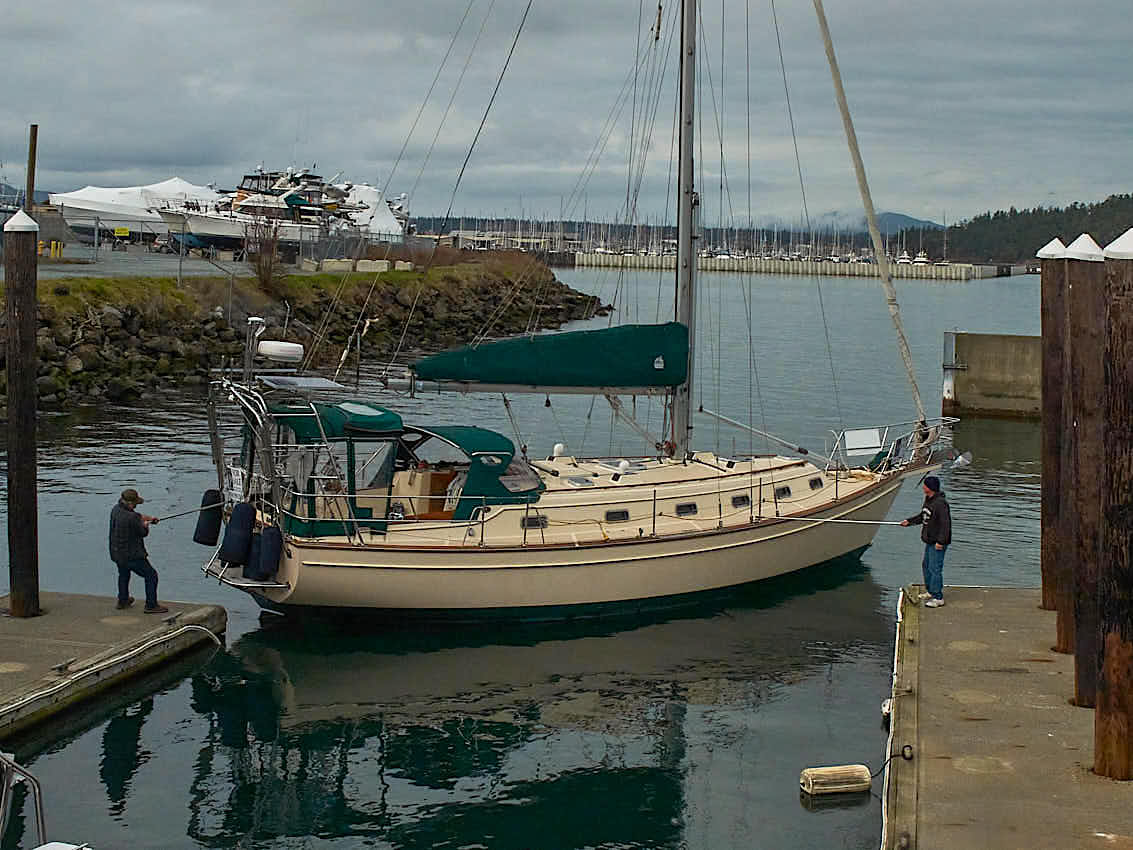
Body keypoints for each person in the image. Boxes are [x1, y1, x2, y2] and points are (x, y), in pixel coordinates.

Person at [108, 488, 169, 613]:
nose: (136, 505)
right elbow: (143, 532)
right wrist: (146, 525)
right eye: (135, 503)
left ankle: (123, 600)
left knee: (124, 574)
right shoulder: (132, 517)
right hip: (132, 555)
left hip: (117, 552)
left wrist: (149, 518)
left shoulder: (116, 509)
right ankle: (151, 605)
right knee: (151, 576)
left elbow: (137, 516)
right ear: (130, 503)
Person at [900, 475, 951, 608]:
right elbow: (923, 516)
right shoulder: (928, 500)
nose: (923, 487)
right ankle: (930, 590)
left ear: (930, 488)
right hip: (929, 541)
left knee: (935, 568)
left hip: (937, 543)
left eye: (925, 485)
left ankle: (938, 597)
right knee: (926, 566)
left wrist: (941, 541)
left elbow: (946, 525)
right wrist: (909, 521)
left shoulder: (941, 503)